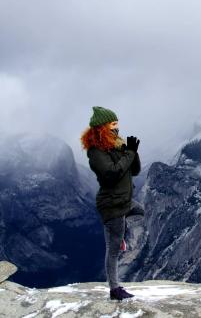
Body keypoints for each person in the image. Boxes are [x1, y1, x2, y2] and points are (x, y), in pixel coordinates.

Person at [80, 106, 144, 301]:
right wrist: (129, 155)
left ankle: (120, 231)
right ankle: (115, 289)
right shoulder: (95, 151)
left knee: (141, 210)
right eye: (113, 124)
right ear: (102, 127)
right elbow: (111, 174)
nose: (117, 127)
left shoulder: (116, 144)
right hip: (112, 204)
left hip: (124, 200)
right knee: (113, 249)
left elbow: (134, 171)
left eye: (117, 123)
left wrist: (134, 152)